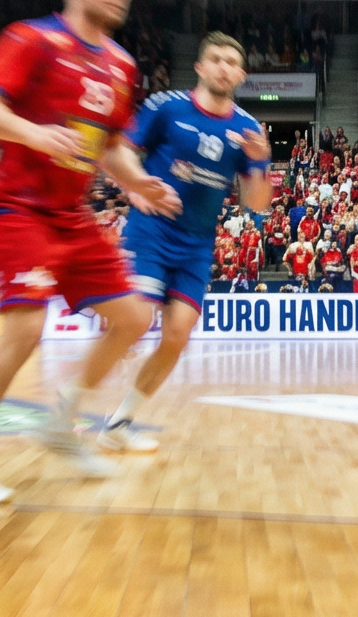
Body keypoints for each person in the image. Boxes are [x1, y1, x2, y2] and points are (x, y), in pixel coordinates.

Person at [0, 0, 181, 506]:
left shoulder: (121, 65)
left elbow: (109, 147)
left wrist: (138, 182)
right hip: (15, 205)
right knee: (23, 331)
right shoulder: (32, 39)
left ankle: (60, 425)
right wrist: (33, 133)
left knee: (134, 317)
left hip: (71, 214)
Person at [103, 32, 274, 455]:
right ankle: (67, 406)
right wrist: (136, 185)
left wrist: (263, 161)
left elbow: (257, 203)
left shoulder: (248, 129)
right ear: (200, 66)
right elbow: (119, 152)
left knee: (177, 335)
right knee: (137, 320)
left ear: (241, 74)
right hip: (152, 231)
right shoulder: (166, 106)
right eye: (215, 58)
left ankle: (119, 423)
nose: (223, 66)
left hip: (198, 244)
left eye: (231, 61)